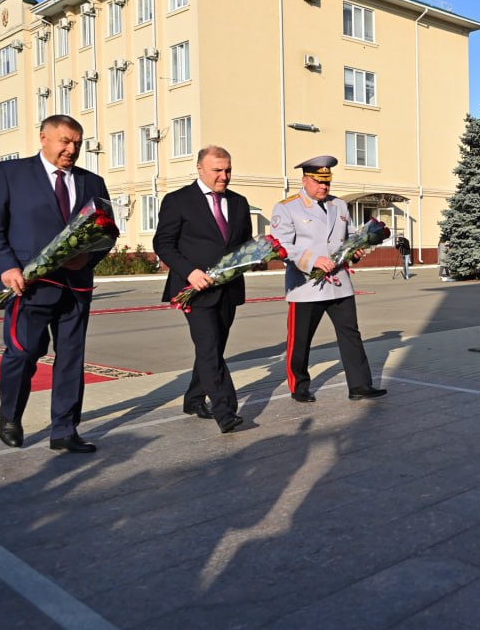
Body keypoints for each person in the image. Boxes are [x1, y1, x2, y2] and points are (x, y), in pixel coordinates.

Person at [0, 115, 111, 453]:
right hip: (29, 286)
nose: (71, 149)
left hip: (76, 287)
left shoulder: (91, 182)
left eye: (77, 144)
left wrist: (89, 257)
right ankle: (10, 414)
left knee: (71, 359)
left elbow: (106, 233)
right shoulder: (10, 175)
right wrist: (6, 268)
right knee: (22, 355)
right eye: (65, 141)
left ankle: (65, 430)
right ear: (43, 138)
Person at [272, 155, 386, 403]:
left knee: (350, 334)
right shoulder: (287, 207)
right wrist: (312, 261)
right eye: (318, 182)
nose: (324, 187)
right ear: (304, 180)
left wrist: (356, 250)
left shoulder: (339, 206)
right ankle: (299, 386)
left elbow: (350, 236)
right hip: (306, 285)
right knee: (300, 339)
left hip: (339, 283)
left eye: (327, 182)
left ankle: (360, 385)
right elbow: (280, 246)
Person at [153, 145, 251, 434]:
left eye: (228, 170)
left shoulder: (239, 202)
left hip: (228, 289)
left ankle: (194, 398)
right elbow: (163, 244)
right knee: (209, 348)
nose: (224, 176)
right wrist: (190, 272)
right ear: (199, 169)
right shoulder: (178, 201)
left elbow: (242, 244)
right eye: (217, 170)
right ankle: (226, 411)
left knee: (214, 347)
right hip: (194, 290)